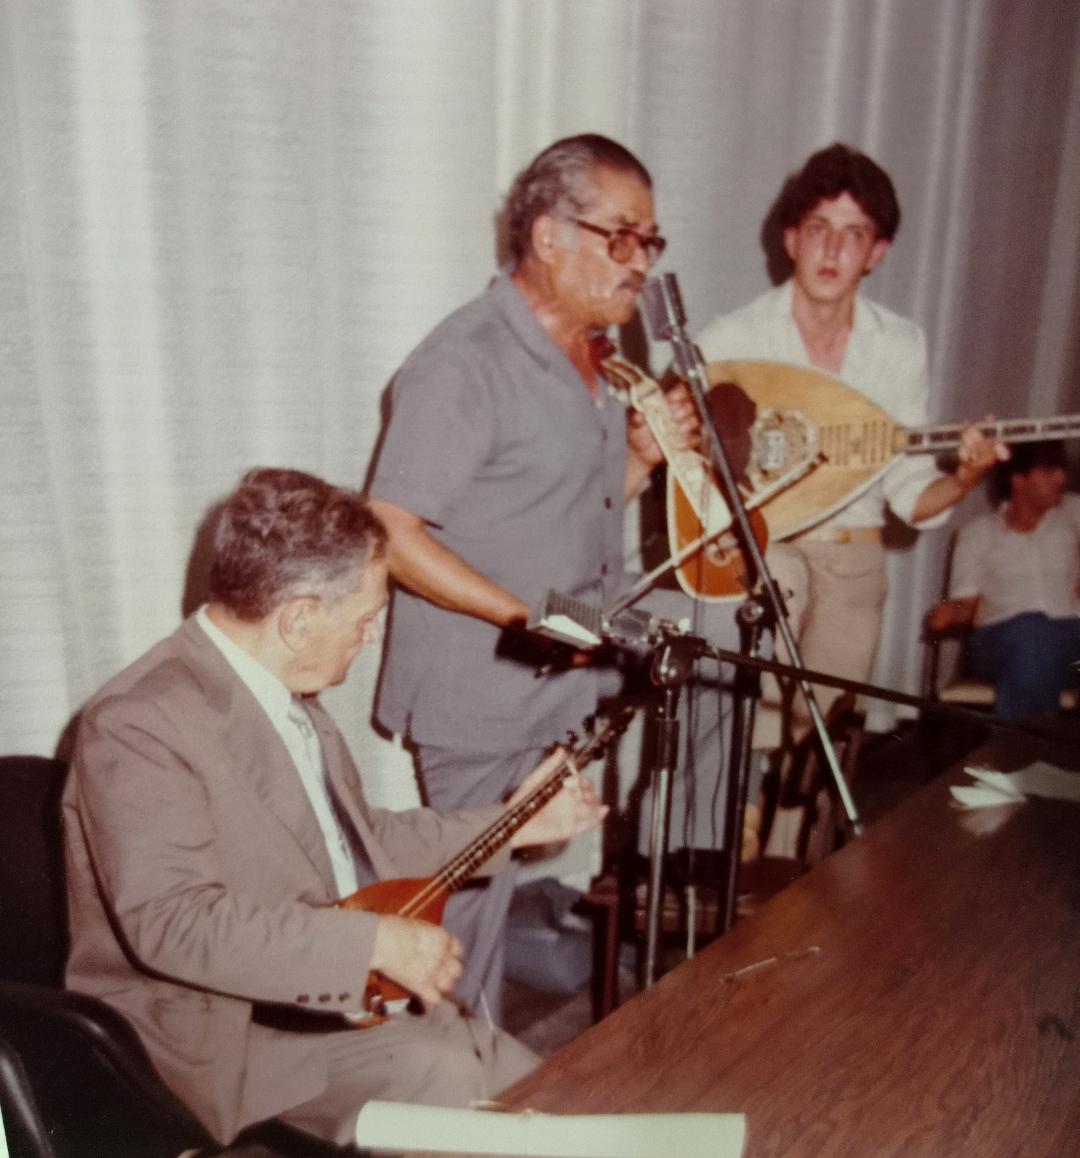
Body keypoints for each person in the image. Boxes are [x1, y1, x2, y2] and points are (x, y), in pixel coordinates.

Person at [63, 468, 606, 1150]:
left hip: (324, 1001)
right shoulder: (139, 724)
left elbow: (362, 839)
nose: (372, 635)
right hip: (227, 1035)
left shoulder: (282, 693)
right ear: (299, 619)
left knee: (563, 1102)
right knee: (467, 1102)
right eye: (367, 617)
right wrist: (374, 945)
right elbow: (176, 924)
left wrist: (516, 825)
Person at [368, 134, 738, 1018]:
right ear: (547, 237)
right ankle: (461, 1087)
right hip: (482, 683)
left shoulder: (594, 360)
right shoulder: (463, 362)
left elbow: (563, 505)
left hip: (568, 650)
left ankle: (685, 878)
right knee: (464, 935)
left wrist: (642, 459)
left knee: (723, 631)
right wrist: (520, 618)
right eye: (621, 236)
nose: (640, 262)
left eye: (650, 241)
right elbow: (388, 532)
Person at [694, 143, 1005, 853]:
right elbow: (682, 457)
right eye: (819, 229)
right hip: (768, 552)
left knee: (821, 746)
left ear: (878, 252)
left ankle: (788, 878)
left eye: (854, 234)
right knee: (761, 695)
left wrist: (964, 477)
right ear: (791, 238)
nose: (833, 250)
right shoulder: (732, 339)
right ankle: (732, 830)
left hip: (855, 561)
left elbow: (908, 492)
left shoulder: (899, 347)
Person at [926, 441, 1080, 719]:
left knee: (1037, 641)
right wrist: (949, 613)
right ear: (1018, 480)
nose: (1062, 478)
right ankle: (1030, 741)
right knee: (1032, 632)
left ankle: (1019, 743)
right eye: (1049, 470)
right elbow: (966, 606)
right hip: (998, 640)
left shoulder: (1074, 515)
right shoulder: (977, 534)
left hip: (1070, 639)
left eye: (1062, 469)